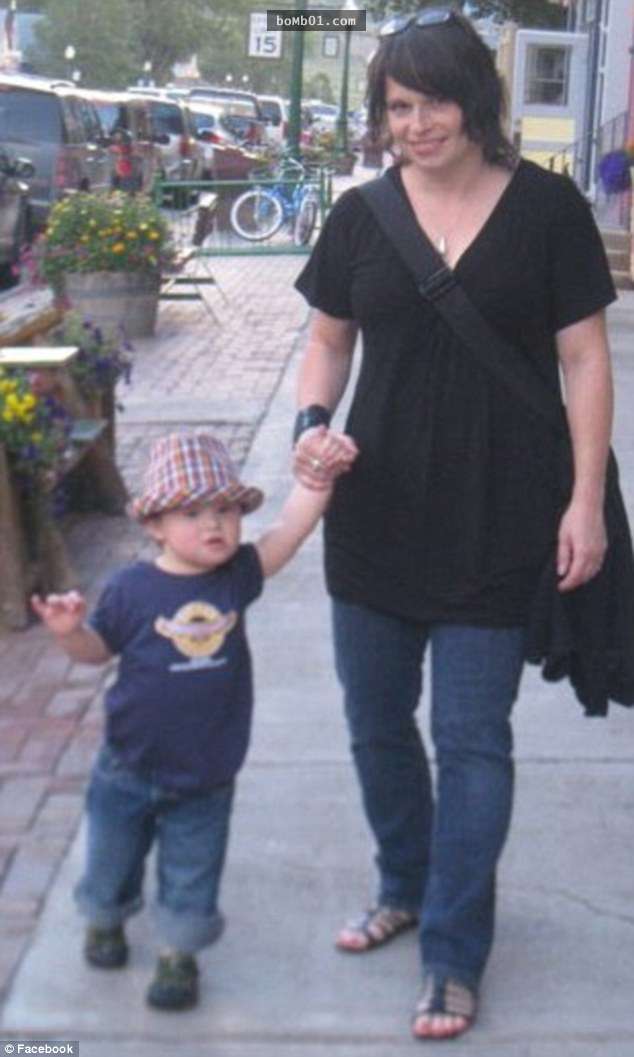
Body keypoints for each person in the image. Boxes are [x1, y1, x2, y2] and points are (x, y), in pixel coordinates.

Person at [293, 7, 617, 1042]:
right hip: (376, 514)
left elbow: (585, 360)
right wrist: (310, 427)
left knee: (473, 739)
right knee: (375, 723)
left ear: (477, 102)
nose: (416, 124)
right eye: (397, 106)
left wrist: (582, 500)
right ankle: (404, 880)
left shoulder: (549, 210)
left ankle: (452, 948)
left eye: (434, 102)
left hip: (501, 515)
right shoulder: (361, 217)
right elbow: (328, 341)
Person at [32, 428, 357, 1012]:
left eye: (225, 511)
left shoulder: (235, 576)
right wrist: (69, 634)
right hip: (128, 764)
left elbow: (288, 532)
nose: (214, 525)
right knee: (111, 860)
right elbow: (96, 651)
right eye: (192, 513)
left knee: (192, 871)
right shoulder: (131, 589)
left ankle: (177, 956)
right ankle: (105, 918)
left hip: (207, 771)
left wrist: (316, 482)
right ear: (155, 525)